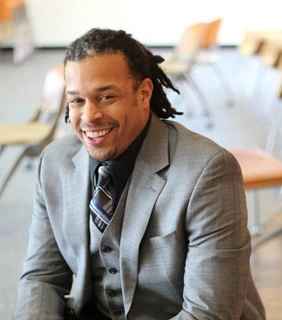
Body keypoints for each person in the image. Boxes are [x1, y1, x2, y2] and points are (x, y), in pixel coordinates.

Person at [12, 28, 265, 320]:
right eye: (77, 101)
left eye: (106, 96)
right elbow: (41, 278)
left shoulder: (208, 170)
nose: (89, 116)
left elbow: (208, 313)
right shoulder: (55, 162)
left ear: (144, 93)